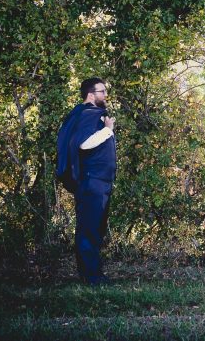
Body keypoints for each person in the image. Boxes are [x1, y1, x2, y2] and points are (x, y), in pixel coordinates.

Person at [57, 77, 116, 285]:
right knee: (90, 228)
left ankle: (92, 274)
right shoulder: (89, 114)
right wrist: (107, 130)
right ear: (91, 94)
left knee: (93, 228)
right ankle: (91, 278)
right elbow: (83, 143)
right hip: (93, 181)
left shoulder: (84, 114)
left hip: (97, 181)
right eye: (102, 91)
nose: (105, 95)